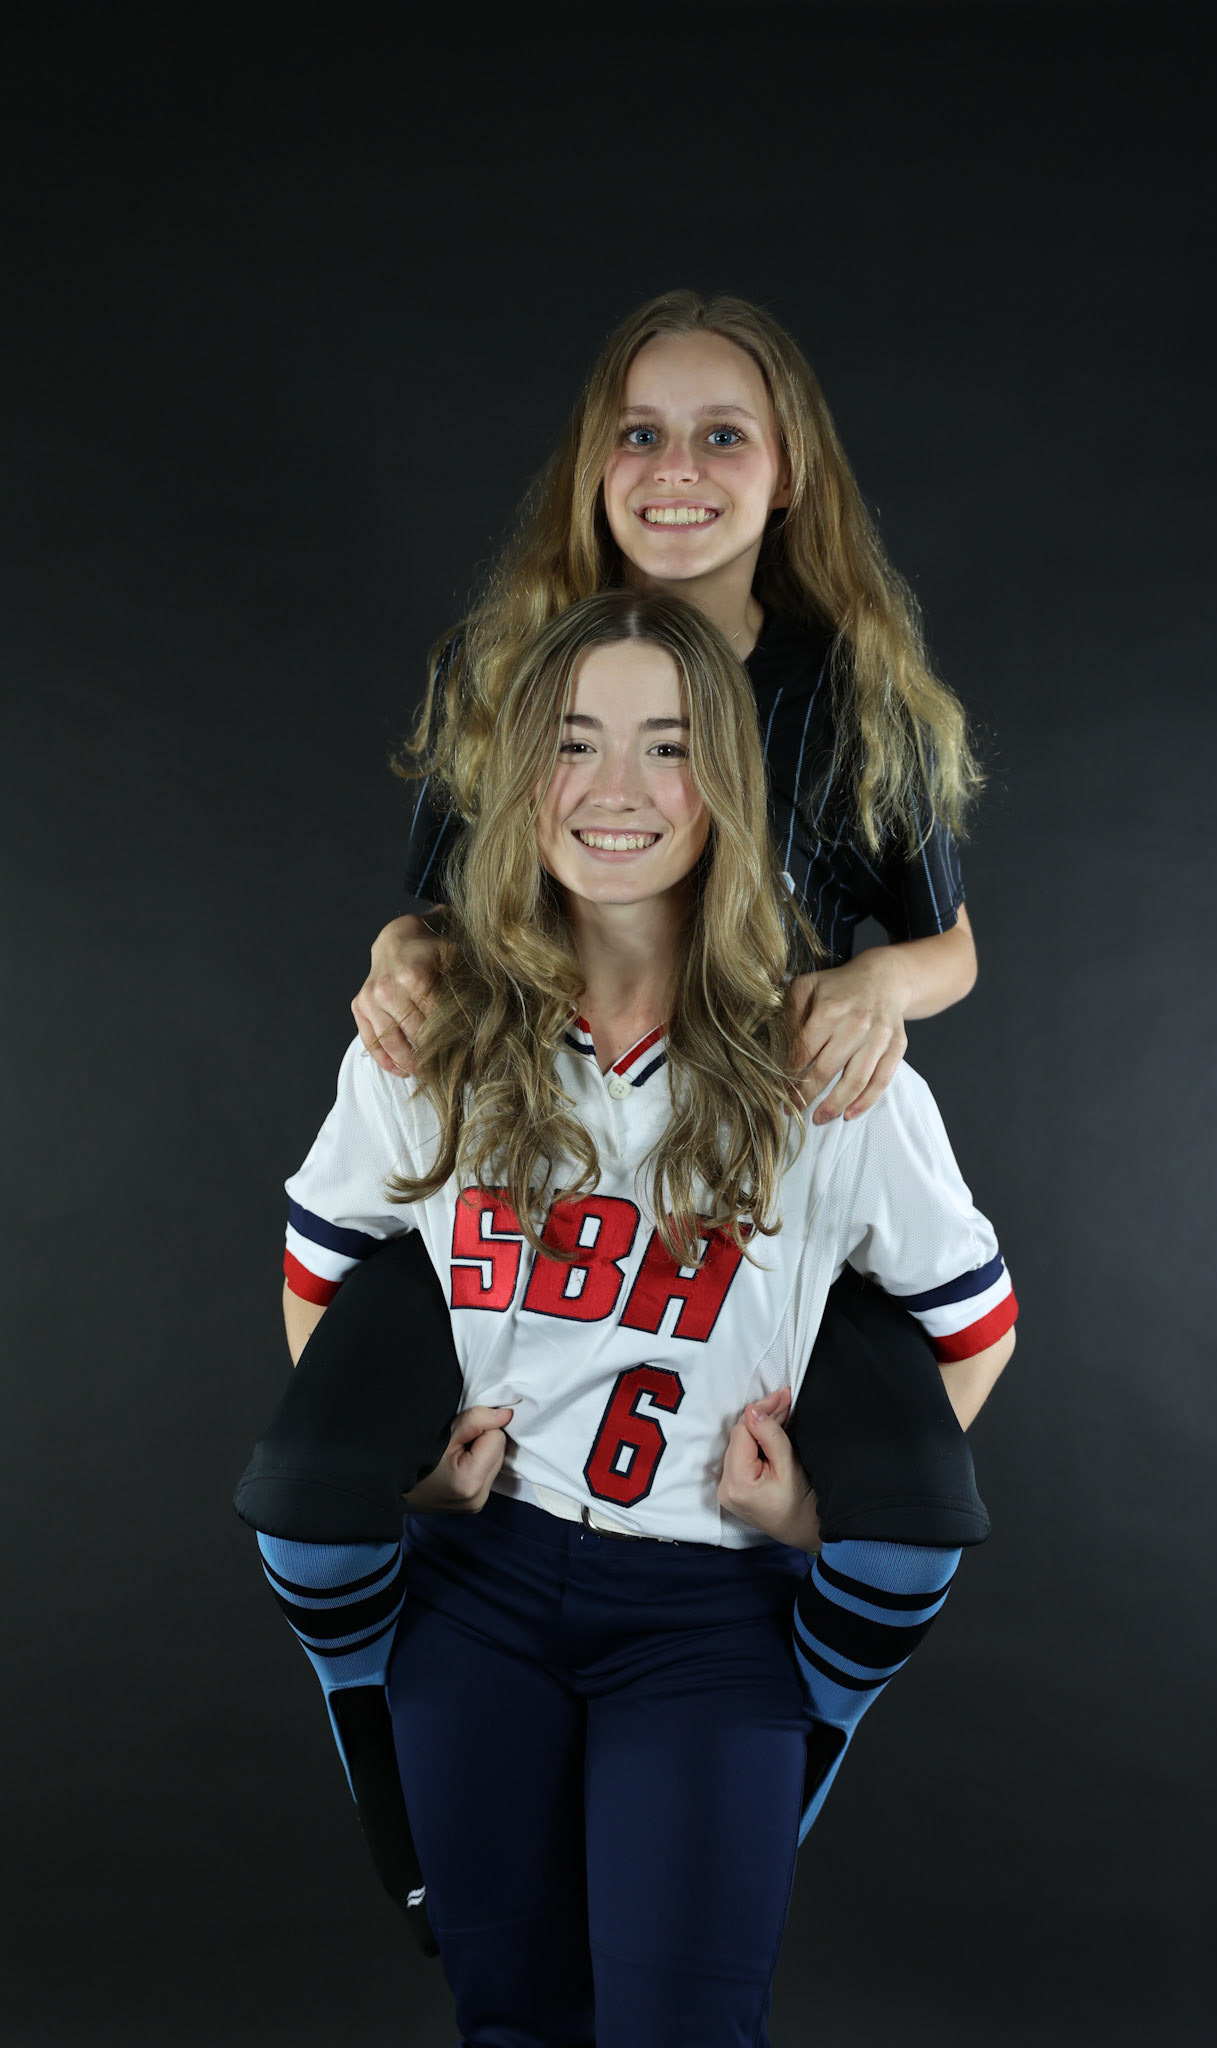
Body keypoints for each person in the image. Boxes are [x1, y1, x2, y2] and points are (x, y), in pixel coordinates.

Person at [236, 289, 996, 1946]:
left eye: (725, 433)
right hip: (566, 1124)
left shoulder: (854, 681)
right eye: (640, 433)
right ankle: (395, 1747)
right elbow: (439, 922)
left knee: (910, 1527)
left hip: (771, 1140)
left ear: (790, 471)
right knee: (310, 1484)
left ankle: (783, 1760)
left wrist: (875, 993)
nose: (677, 469)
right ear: (593, 463)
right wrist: (390, 962)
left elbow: (948, 948)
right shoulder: (514, 663)